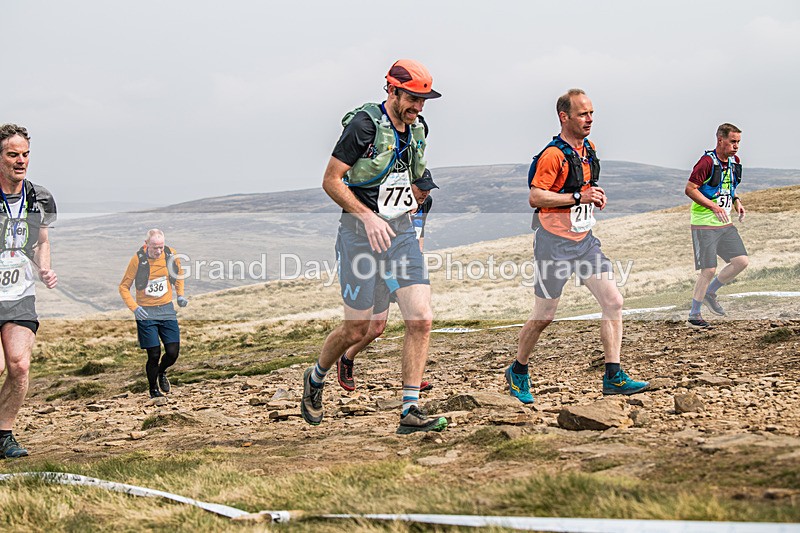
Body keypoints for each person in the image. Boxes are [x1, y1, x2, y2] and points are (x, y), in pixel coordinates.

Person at [301, 59, 447, 434]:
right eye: (412, 98)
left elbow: (413, 175)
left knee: (421, 318)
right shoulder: (364, 125)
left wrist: (412, 203)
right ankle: (315, 377)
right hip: (358, 236)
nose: (419, 106)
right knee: (357, 329)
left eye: (423, 100)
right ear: (392, 91)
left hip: (400, 234)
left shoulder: (418, 129)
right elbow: (331, 180)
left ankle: (410, 410)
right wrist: (367, 216)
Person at [506, 89, 649, 405]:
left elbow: (582, 187)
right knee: (544, 316)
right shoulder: (552, 155)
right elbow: (535, 197)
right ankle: (518, 369)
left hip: (584, 241)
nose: (590, 119)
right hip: (552, 244)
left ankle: (613, 376)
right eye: (583, 114)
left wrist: (594, 194)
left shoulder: (589, 150)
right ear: (564, 117)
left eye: (592, 113)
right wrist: (577, 198)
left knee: (613, 300)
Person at [335, 169, 438, 392]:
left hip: (401, 263)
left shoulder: (425, 203)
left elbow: (419, 232)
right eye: (421, 188)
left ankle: (412, 378)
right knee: (376, 327)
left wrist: (416, 265)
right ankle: (346, 357)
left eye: (429, 189)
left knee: (417, 319)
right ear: (406, 186)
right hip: (377, 261)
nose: (425, 193)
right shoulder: (387, 202)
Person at [0, 124, 58, 459]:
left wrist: (44, 268)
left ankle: (4, 435)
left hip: (19, 293)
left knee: (19, 366)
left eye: (25, 154)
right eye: (13, 154)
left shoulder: (40, 197)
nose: (21, 160)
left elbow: (42, 242)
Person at [685, 124, 747, 328]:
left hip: (725, 223)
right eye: (733, 141)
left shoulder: (734, 162)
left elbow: (729, 187)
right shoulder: (706, 162)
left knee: (741, 261)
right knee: (709, 269)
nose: (736, 146)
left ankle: (710, 293)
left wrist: (736, 201)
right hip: (704, 224)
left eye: (738, 142)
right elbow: (690, 189)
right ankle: (694, 315)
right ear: (721, 140)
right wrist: (713, 206)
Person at [118, 229, 188, 399]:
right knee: (154, 354)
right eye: (155, 247)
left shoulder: (171, 255)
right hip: (146, 312)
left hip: (166, 309)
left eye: (161, 247)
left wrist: (180, 295)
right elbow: (123, 287)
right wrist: (135, 308)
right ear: (146, 244)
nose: (158, 251)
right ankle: (153, 390)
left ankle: (161, 372)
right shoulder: (137, 260)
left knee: (172, 352)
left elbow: (178, 275)